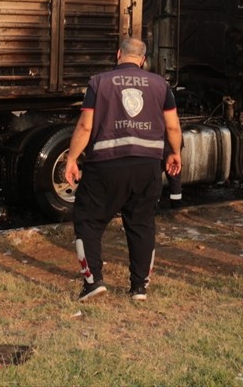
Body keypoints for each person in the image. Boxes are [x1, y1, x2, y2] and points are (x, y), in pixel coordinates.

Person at [65, 37, 182, 302]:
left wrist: (72, 158)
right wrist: (174, 152)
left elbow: (85, 125)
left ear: (118, 54)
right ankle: (139, 287)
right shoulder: (161, 85)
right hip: (147, 165)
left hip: (105, 165)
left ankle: (93, 282)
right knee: (142, 224)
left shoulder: (99, 82)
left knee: (88, 220)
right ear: (143, 59)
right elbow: (173, 126)